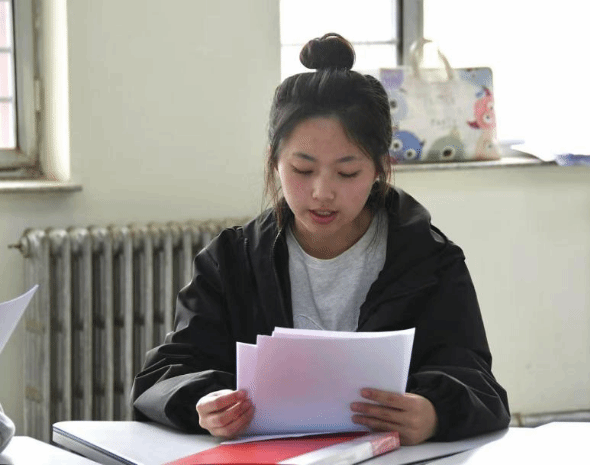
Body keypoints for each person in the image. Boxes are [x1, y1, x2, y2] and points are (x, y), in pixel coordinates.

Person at [131, 33, 510, 445]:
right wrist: (203, 403)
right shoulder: (231, 261)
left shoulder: (429, 261)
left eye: (347, 172)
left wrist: (433, 414)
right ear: (274, 162)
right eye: (303, 169)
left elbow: (480, 386)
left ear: (380, 168)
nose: (322, 192)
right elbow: (164, 376)